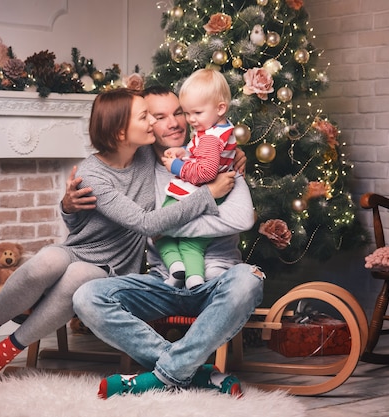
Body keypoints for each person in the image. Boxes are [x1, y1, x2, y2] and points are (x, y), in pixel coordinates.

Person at [0, 88, 236, 393]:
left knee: (78, 276)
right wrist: (208, 195)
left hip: (117, 264)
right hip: (81, 248)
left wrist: (232, 154)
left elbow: (202, 148)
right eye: (145, 116)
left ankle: (1, 354)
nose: (154, 122)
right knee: (48, 259)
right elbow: (143, 222)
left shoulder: (147, 152)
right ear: (121, 131)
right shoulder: (92, 173)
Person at [68, 86, 264, 398]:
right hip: (165, 282)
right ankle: (193, 372)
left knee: (249, 280)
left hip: (218, 280)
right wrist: (68, 207)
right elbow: (138, 222)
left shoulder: (217, 158)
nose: (174, 123)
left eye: (179, 113)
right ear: (144, 124)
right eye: (159, 116)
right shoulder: (140, 169)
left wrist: (167, 228)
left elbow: (241, 219)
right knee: (87, 297)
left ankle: (163, 375)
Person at [158, 68, 237, 289]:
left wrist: (176, 166)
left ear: (221, 108)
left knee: (160, 234)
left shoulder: (211, 138)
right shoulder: (219, 129)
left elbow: (206, 173)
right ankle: (194, 280)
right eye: (188, 113)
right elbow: (206, 156)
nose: (191, 120)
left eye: (197, 113)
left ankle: (175, 268)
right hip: (213, 197)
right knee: (192, 246)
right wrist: (184, 152)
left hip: (192, 194)